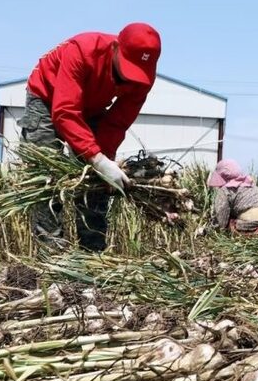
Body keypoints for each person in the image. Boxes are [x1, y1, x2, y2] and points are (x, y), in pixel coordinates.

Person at [19, 22, 161, 252]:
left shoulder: (143, 77)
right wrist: (96, 158)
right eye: (126, 70)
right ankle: (52, 253)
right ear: (115, 48)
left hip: (92, 108)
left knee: (97, 183)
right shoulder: (82, 49)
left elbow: (118, 122)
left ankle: (92, 250)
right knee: (47, 176)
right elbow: (64, 111)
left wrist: (104, 160)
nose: (129, 80)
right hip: (48, 97)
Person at [207, 159, 258, 238]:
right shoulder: (251, 185)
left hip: (252, 226)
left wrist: (206, 230)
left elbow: (220, 224)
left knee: (231, 223)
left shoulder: (225, 190)